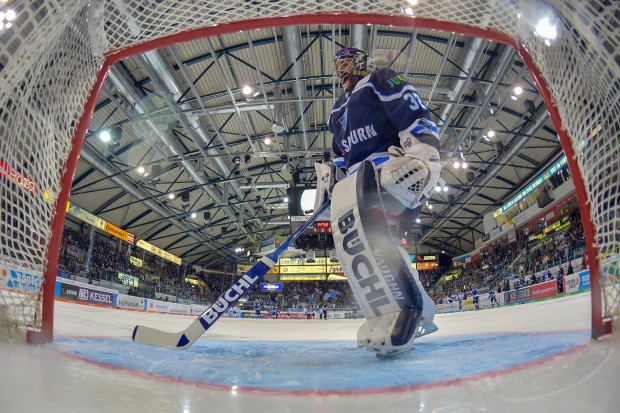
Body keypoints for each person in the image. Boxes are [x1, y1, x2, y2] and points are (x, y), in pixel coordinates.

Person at [314, 47, 441, 356]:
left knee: (381, 239)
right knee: (359, 249)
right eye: (338, 63)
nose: (341, 68)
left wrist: (425, 151)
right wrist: (333, 175)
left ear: (361, 63)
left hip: (387, 174)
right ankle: (384, 313)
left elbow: (414, 113)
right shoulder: (336, 110)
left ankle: (411, 310)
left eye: (347, 61)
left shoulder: (379, 80)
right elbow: (343, 154)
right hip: (353, 187)